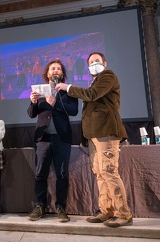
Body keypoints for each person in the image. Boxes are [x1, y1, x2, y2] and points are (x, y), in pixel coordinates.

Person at [55, 52, 133, 227]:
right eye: (90, 62)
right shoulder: (95, 81)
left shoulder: (108, 75)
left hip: (106, 132)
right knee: (100, 173)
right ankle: (106, 210)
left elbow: (91, 94)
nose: (93, 64)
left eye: (96, 61)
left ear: (104, 63)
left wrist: (68, 88)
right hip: (95, 136)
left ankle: (124, 213)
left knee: (109, 172)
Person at [27, 59, 79, 222]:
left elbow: (74, 111)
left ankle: (60, 207)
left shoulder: (69, 90)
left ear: (62, 73)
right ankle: (40, 205)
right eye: (52, 69)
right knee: (40, 173)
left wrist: (55, 103)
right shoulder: (40, 90)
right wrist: (33, 102)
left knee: (62, 174)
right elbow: (31, 114)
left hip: (62, 138)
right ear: (47, 73)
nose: (55, 71)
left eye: (58, 69)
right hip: (42, 138)